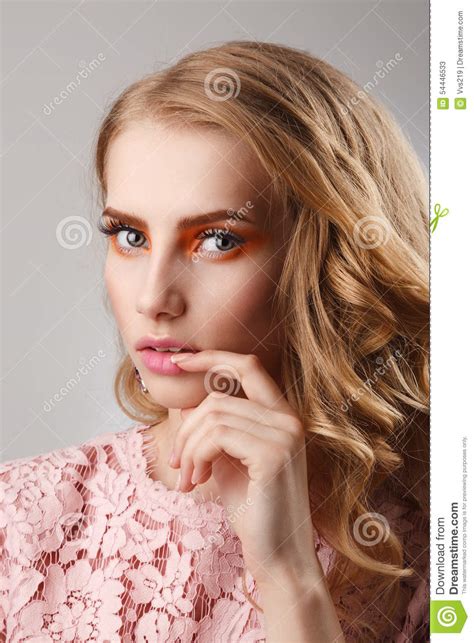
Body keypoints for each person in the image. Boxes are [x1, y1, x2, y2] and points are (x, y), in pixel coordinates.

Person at [0, 40, 429, 641]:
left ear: (331, 258)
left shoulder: (441, 537)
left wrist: (288, 579)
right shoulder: (18, 519)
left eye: (217, 241)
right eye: (129, 235)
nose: (153, 298)